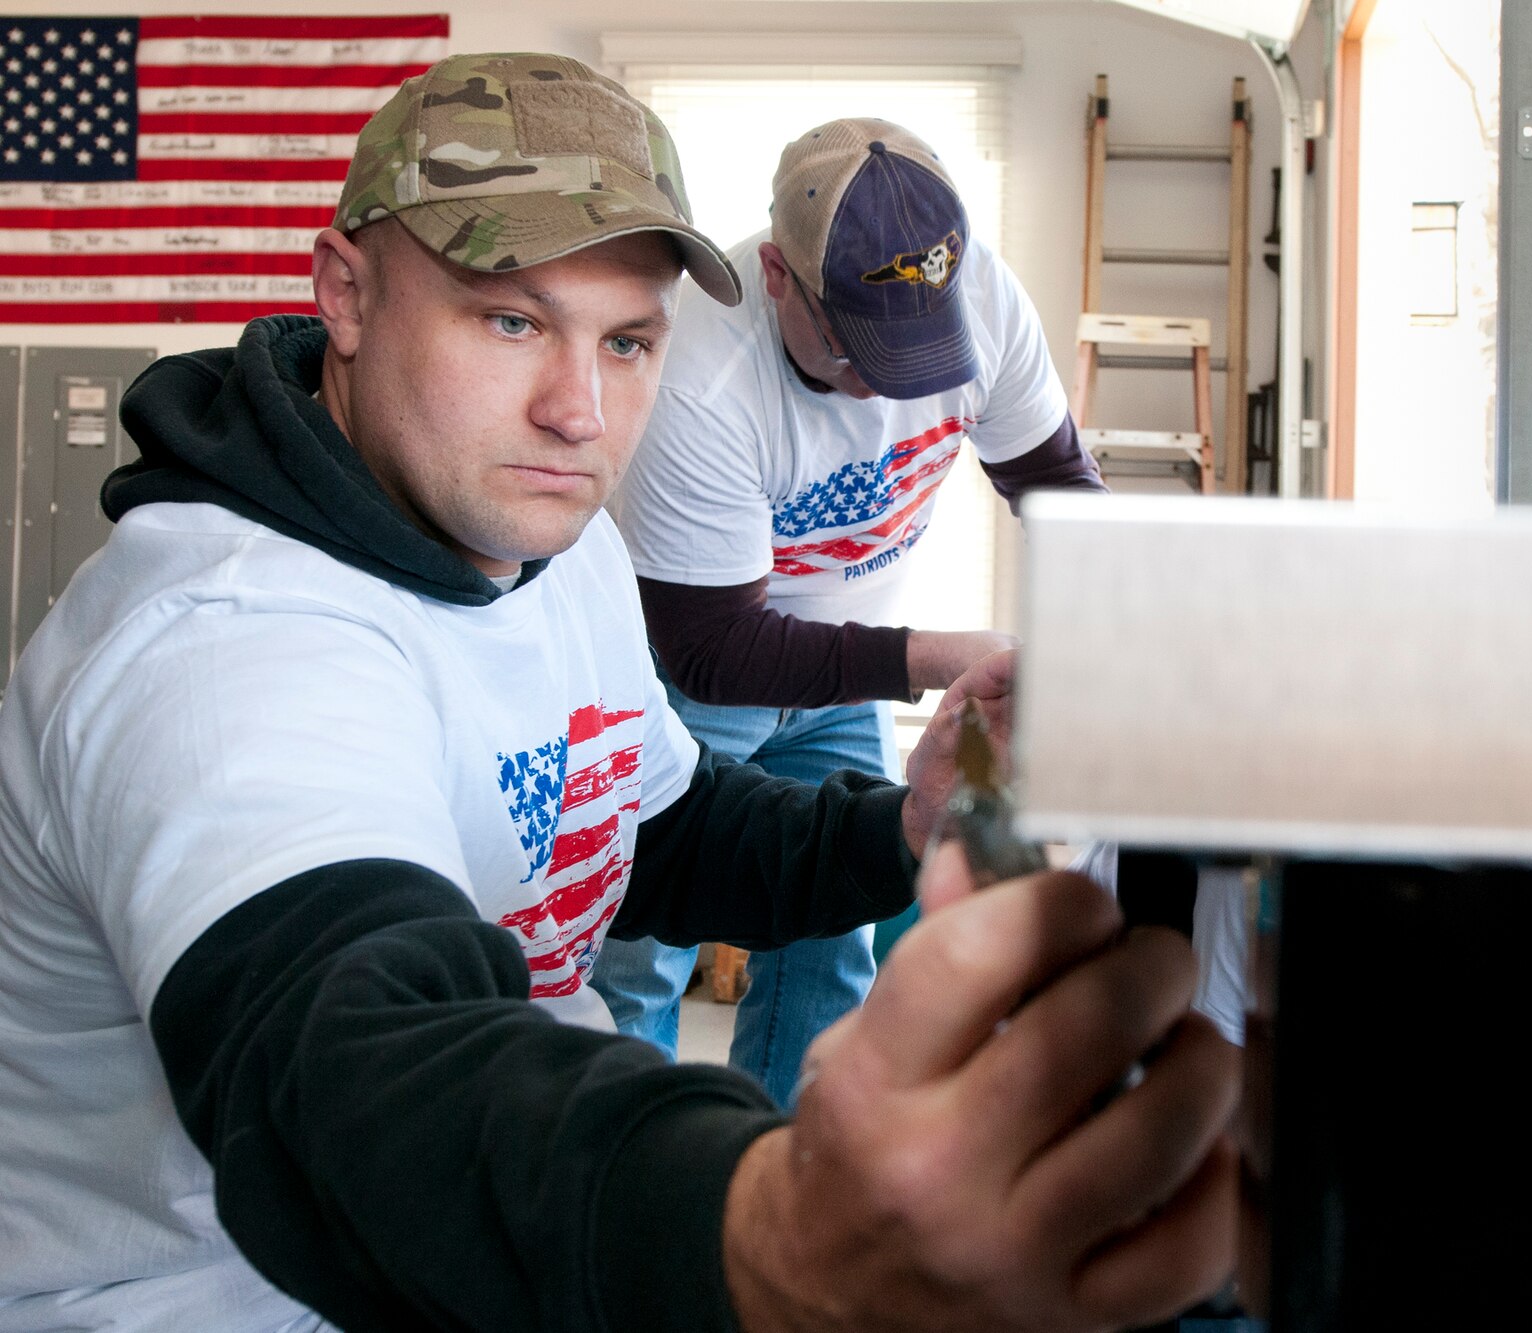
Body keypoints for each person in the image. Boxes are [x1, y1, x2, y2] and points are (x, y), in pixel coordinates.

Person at [0, 55, 1237, 1331]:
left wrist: (901, 827)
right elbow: (358, 1076)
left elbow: (654, 829)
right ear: (345, 295)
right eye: (511, 320)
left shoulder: (556, 543)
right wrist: (766, 1233)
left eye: (629, 339)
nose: (577, 412)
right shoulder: (224, 645)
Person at [596, 118, 1107, 1105]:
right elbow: (713, 651)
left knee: (831, 951)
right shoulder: (699, 370)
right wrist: (953, 653)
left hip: (841, 667)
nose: (887, 390)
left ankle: (784, 1201)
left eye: (922, 351)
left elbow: (1055, 485)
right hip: (686, 664)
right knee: (640, 951)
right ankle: (615, 1190)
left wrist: (1121, 624)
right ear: (779, 276)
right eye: (859, 351)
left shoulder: (985, 297)